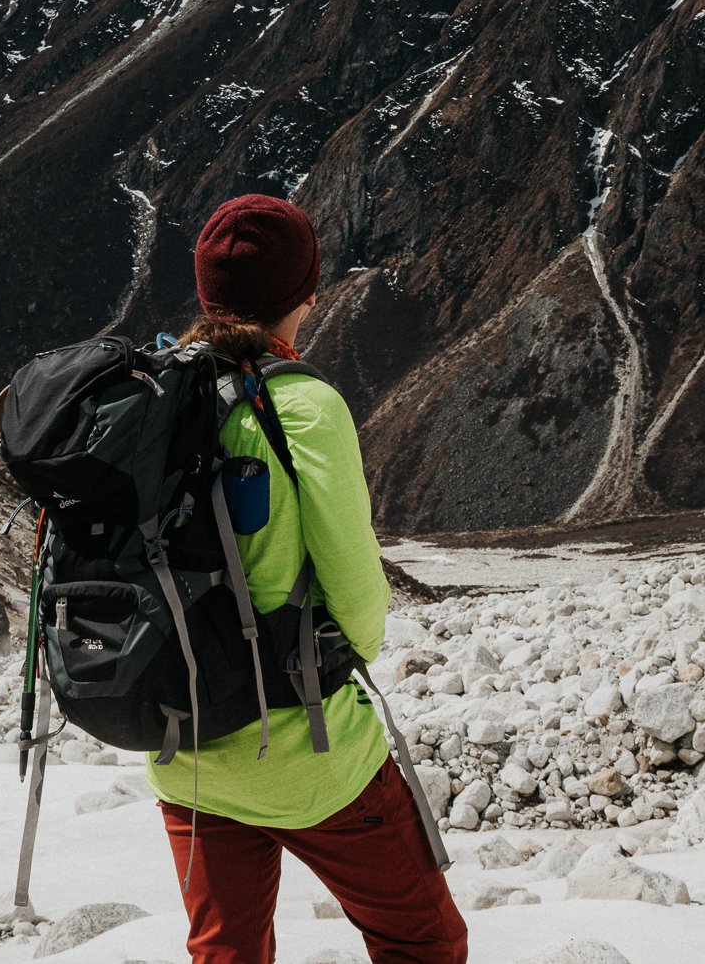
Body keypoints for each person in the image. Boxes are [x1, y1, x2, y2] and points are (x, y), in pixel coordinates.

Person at [150, 193, 467, 964]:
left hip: (183, 749)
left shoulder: (153, 398)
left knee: (227, 953)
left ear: (205, 292)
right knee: (424, 940)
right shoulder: (305, 405)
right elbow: (358, 599)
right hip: (309, 751)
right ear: (308, 291)